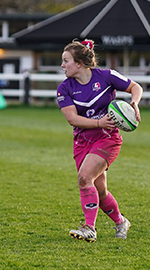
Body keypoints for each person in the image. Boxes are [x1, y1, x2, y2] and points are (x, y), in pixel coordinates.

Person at [56, 39, 143, 243]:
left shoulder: (106, 76)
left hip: (108, 139)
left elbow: (135, 87)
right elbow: (72, 119)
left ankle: (89, 228)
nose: (62, 65)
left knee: (84, 178)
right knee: (100, 190)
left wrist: (134, 104)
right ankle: (121, 222)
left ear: (79, 63)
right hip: (82, 141)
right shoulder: (64, 88)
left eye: (66, 61)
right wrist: (99, 122)